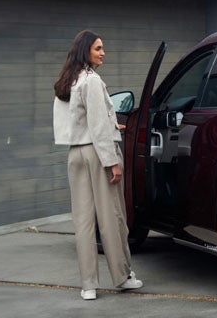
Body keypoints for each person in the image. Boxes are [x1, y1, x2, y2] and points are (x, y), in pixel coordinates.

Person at [53, 30, 143, 299]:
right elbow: (96, 125)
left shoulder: (67, 81)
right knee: (112, 218)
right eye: (98, 48)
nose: (103, 52)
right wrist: (112, 161)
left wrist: (111, 124)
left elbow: (80, 120)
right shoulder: (92, 80)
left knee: (82, 222)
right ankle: (122, 276)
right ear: (85, 51)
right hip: (97, 153)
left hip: (76, 155)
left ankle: (88, 286)